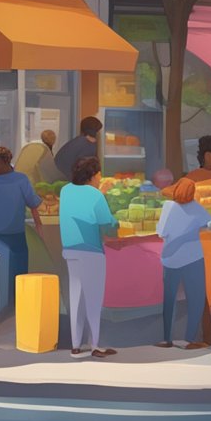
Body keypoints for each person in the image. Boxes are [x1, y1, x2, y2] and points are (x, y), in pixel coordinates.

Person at [0, 145, 43, 348]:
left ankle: (21, 330)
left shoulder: (18, 179)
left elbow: (32, 203)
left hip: (16, 237)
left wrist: (38, 225)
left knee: (19, 284)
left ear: (5, 162)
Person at [156, 177, 211, 350]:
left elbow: (161, 232)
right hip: (193, 259)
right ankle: (188, 338)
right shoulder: (196, 208)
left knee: (169, 300)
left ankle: (167, 338)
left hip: (170, 259)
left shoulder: (168, 207)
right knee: (195, 299)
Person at [60, 156, 117, 358]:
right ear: (92, 175)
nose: (100, 179)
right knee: (94, 299)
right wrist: (116, 222)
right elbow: (107, 224)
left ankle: (75, 345)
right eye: (99, 175)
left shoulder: (65, 190)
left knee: (76, 296)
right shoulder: (96, 195)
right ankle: (95, 345)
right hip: (91, 251)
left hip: (70, 250)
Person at [180, 134, 211, 346]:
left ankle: (204, 338)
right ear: (207, 155)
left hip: (199, 243)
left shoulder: (192, 178)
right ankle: (205, 337)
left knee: (200, 292)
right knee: (206, 293)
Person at [54, 116, 102, 181]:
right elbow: (86, 172)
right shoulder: (87, 145)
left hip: (60, 179)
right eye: (98, 131)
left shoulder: (79, 141)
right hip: (66, 181)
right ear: (95, 132)